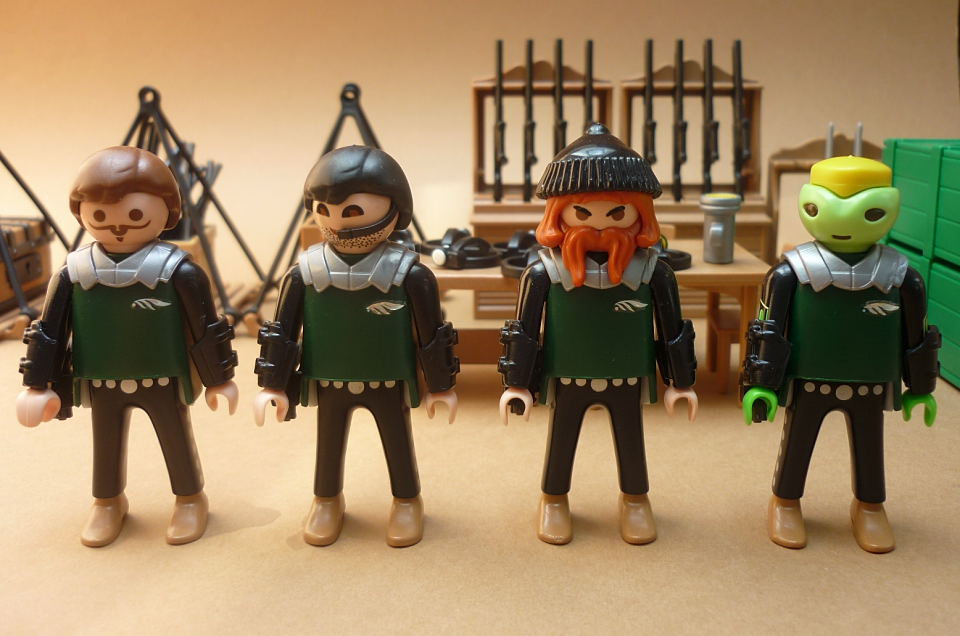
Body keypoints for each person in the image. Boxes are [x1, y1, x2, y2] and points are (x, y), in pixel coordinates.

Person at [17, 146, 239, 546]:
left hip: (163, 374)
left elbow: (206, 327)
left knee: (175, 438)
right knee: (105, 443)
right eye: (101, 216)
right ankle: (107, 502)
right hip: (100, 377)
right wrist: (38, 384)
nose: (118, 226)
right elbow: (49, 330)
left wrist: (218, 378)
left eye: (135, 215)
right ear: (81, 213)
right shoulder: (74, 274)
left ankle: (190, 498)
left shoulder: (179, 271)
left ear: (168, 211)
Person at [499, 124, 698, 545]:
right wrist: (517, 383)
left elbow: (673, 328)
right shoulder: (544, 272)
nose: (600, 225)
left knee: (631, 439)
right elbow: (524, 329)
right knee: (561, 440)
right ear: (559, 213)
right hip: (567, 372)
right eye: (583, 214)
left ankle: (635, 500)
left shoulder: (653, 272)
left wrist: (680, 381)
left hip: (628, 372)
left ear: (640, 213)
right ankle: (554, 499)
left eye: (617, 213)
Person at [253, 145, 458, 548]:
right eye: (324, 209)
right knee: (328, 444)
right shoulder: (304, 274)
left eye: (351, 210)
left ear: (395, 207)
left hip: (388, 376)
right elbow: (281, 331)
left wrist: (440, 385)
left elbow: (433, 333)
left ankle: (407, 500)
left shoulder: (410, 274)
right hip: (329, 377)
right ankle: (326, 500)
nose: (336, 222)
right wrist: (273, 384)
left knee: (397, 441)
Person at [741, 156, 940, 553]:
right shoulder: (791, 273)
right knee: (798, 442)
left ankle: (869, 506)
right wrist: (761, 383)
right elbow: (767, 329)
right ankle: (785, 501)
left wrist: (921, 385)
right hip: (808, 376)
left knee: (870, 445)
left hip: (870, 378)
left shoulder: (901, 277)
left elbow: (917, 335)